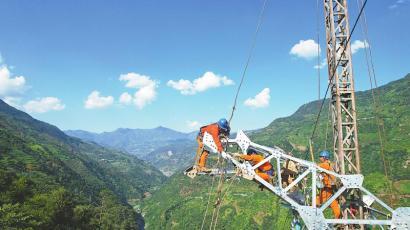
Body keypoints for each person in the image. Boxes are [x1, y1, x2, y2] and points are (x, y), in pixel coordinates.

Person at [316, 150, 341, 219]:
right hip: (330, 188)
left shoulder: (325, 164)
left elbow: (316, 166)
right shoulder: (329, 164)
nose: (319, 158)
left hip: (327, 187)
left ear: (324, 157)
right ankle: (337, 217)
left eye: (321, 157)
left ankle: (315, 215)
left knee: (317, 201)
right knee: (333, 204)